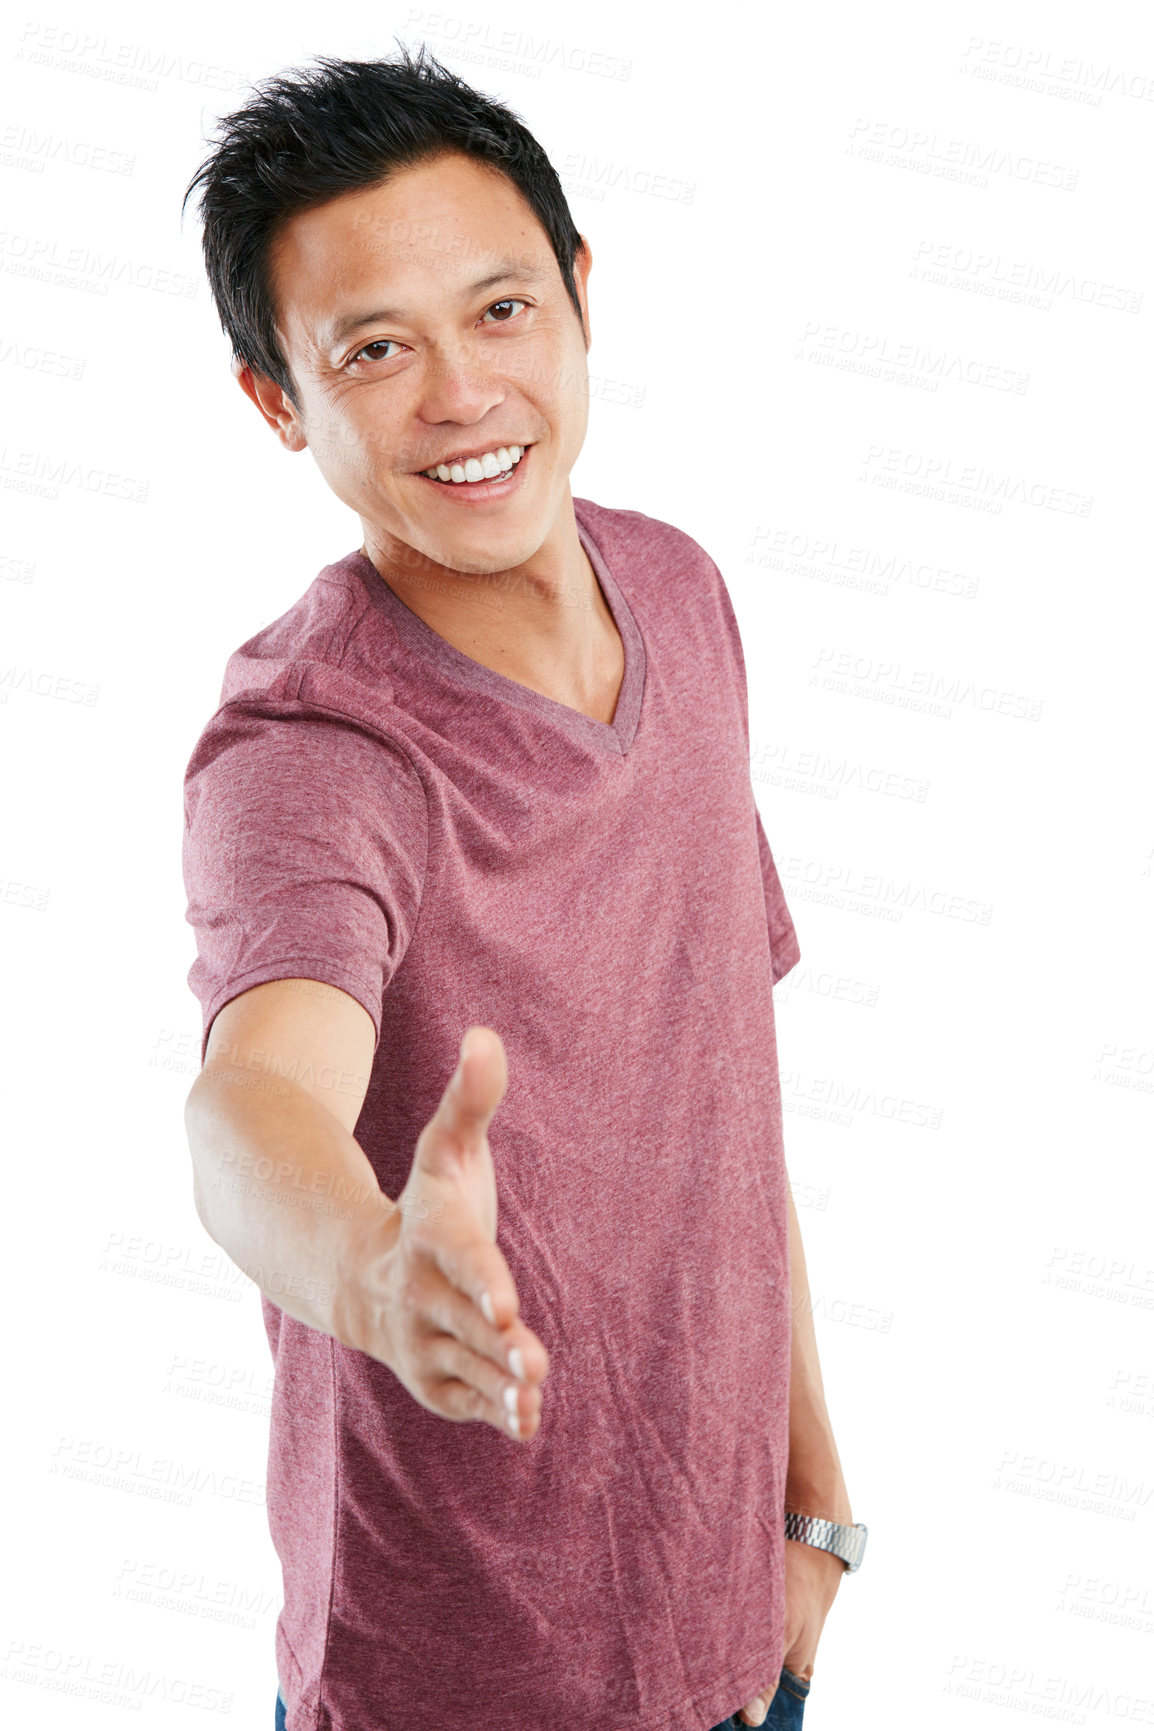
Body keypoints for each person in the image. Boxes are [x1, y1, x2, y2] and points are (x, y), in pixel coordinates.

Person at [180, 44, 865, 1731]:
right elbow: (253, 1099)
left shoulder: (682, 597)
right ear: (281, 401)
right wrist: (366, 1273)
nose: (463, 397)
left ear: (575, 295)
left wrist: (815, 1507)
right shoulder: (314, 746)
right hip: (456, 1680)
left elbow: (719, 1088)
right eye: (374, 351)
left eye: (497, 312)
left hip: (735, 1628)